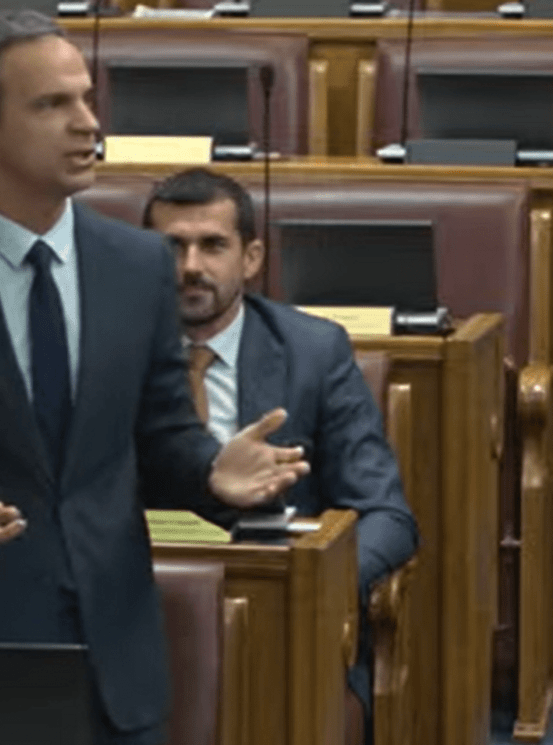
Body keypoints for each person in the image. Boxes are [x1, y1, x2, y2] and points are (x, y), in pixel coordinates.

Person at [0, 11, 309, 745]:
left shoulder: (138, 266)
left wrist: (212, 473)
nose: (88, 124)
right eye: (53, 104)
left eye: (87, 98)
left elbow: (160, 437)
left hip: (117, 658)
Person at [143, 167, 420, 745]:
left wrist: (316, 585)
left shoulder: (312, 351)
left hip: (284, 615)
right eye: (171, 247)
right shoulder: (109, 349)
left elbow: (386, 515)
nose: (190, 266)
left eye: (212, 245)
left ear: (251, 258)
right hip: (143, 606)